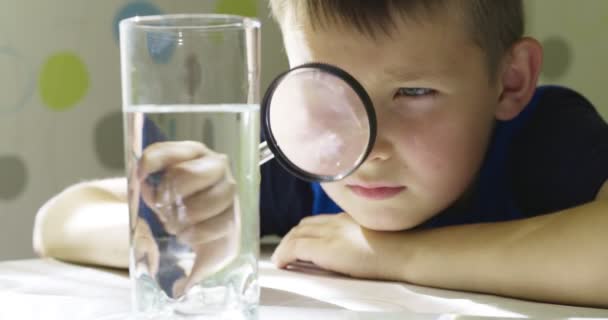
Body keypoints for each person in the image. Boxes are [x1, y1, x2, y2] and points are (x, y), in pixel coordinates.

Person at [33, 0, 608, 308]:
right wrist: (190, 224)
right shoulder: (297, 150)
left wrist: (389, 255)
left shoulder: (547, 138)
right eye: (327, 88)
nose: (367, 145)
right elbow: (59, 222)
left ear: (509, 82)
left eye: (413, 93)